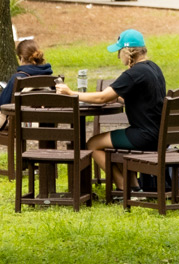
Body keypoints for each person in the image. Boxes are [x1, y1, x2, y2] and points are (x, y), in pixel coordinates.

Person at [56, 29, 163, 190]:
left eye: (119, 51)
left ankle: (123, 186)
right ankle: (133, 186)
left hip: (144, 136)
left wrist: (71, 93)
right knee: (111, 140)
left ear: (128, 53)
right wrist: (118, 97)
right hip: (157, 134)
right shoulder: (153, 68)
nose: (118, 55)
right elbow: (143, 99)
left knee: (93, 143)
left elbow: (101, 98)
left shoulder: (134, 73)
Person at [0, 38, 54, 131]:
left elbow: (2, 105)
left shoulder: (17, 78)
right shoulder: (50, 78)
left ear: (21, 58)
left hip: (21, 125)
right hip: (45, 123)